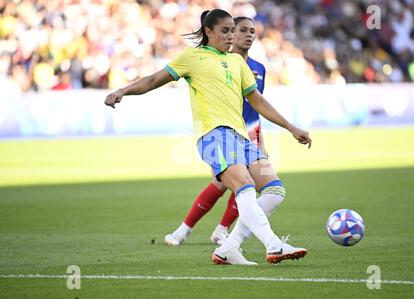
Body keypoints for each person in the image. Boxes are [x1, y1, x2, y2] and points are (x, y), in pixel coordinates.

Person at [104, 9, 312, 265]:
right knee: (244, 188)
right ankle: (273, 245)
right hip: (214, 135)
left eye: (232, 31)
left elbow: (257, 100)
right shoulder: (193, 58)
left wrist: (291, 127)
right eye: (225, 31)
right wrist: (123, 91)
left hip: (241, 137)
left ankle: (229, 247)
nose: (230, 36)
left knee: (275, 191)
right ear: (208, 32)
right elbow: (154, 79)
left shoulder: (238, 63)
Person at [164, 16, 270, 247]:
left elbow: (257, 103)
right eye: (241, 30)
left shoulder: (258, 68)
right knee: (223, 183)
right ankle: (186, 230)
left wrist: (261, 139)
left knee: (247, 182)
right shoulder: (213, 60)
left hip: (250, 130)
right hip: (222, 131)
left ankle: (221, 230)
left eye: (252, 31)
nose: (246, 35)